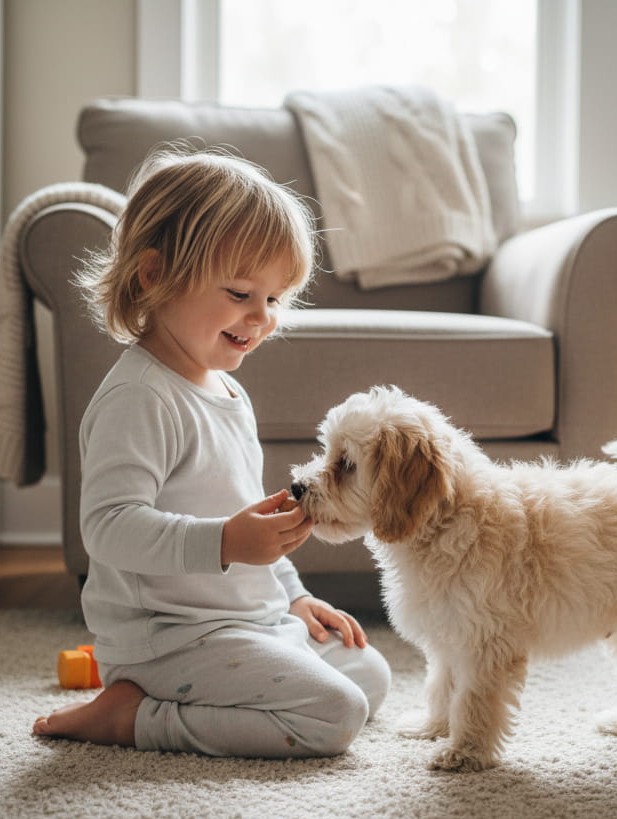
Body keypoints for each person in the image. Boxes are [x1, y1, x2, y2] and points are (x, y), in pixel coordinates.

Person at [32, 145, 390, 757]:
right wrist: (223, 542)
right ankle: (134, 716)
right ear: (153, 276)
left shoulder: (227, 390)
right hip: (173, 639)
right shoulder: (138, 398)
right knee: (336, 715)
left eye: (275, 299)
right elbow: (109, 528)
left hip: (248, 623)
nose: (262, 317)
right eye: (240, 292)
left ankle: (204, 691)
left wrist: (295, 595)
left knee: (371, 675)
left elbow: (250, 517)